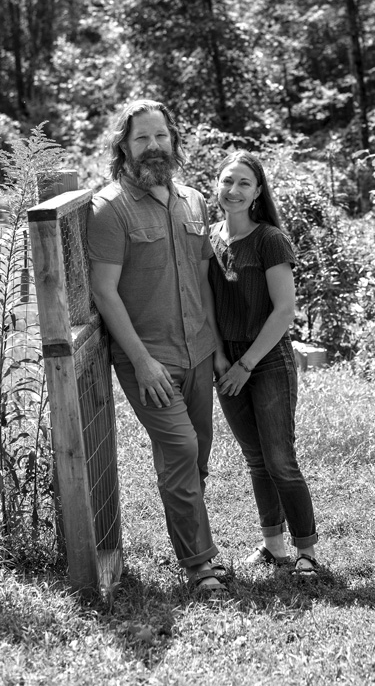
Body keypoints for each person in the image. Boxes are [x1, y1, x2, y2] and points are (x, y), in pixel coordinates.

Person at [87, 99, 229, 595]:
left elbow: (203, 280)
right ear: (123, 147)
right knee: (181, 448)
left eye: (161, 136)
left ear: (174, 140)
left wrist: (216, 348)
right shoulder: (109, 209)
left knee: (198, 452)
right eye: (142, 138)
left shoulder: (193, 201)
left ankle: (192, 539)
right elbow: (104, 292)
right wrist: (142, 362)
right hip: (149, 359)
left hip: (198, 351)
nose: (154, 146)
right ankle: (199, 564)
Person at [209, 150, 320, 577]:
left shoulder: (269, 239)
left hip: (267, 358)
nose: (233, 190)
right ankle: (274, 546)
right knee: (255, 459)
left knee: (279, 460)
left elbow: (284, 311)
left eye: (244, 183)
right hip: (227, 361)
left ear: (257, 192)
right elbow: (207, 306)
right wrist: (222, 358)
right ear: (217, 186)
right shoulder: (210, 239)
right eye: (227, 181)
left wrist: (247, 364)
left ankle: (307, 551)